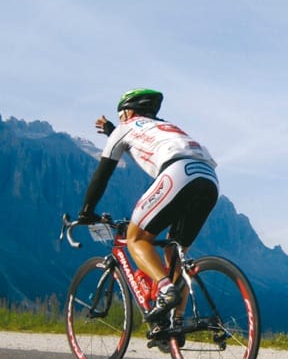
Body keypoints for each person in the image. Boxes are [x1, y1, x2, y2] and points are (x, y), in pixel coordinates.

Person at [79, 88, 219, 335]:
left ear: (128, 112)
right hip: (209, 178)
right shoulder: (164, 127)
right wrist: (114, 130)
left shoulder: (125, 127)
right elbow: (142, 141)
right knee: (174, 252)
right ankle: (173, 326)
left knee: (137, 238)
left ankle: (165, 289)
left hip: (178, 173)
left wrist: (86, 211)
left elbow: (101, 176)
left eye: (121, 115)